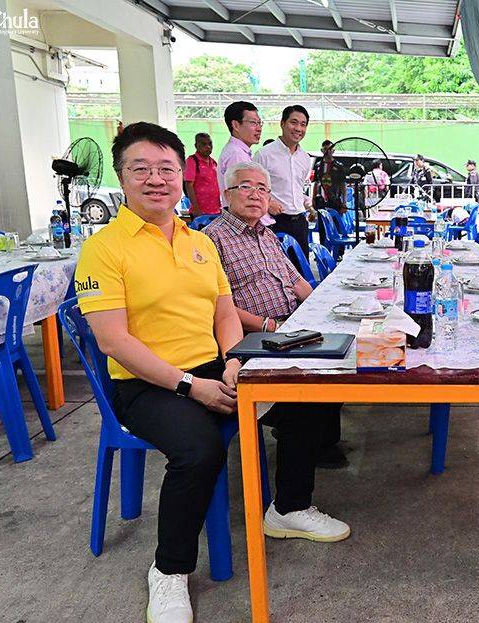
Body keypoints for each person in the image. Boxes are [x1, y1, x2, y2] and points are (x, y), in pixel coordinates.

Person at [74, 122, 246, 622]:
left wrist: (234, 361)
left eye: (166, 168)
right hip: (144, 382)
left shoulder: (200, 240)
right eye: (140, 168)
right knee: (200, 450)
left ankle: (288, 507)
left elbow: (225, 314)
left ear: (182, 175)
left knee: (302, 393)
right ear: (121, 177)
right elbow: (114, 342)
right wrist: (191, 386)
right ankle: (169, 571)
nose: (156, 179)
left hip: (212, 363)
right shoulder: (104, 248)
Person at [205, 159, 351, 495]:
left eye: (263, 189)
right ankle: (295, 431)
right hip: (256, 337)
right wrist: (268, 325)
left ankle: (321, 441)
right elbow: (216, 305)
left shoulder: (266, 234)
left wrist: (321, 307)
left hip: (290, 326)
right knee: (313, 385)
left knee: (346, 347)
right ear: (227, 194)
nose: (255, 195)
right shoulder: (213, 239)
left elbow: (295, 279)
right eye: (246, 187)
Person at [255, 104, 314, 260]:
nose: (298, 129)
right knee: (277, 272)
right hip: (275, 222)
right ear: (282, 123)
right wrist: (267, 203)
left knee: (301, 272)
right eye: (293, 122)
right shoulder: (264, 155)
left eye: (303, 124)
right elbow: (254, 189)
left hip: (300, 221)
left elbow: (298, 188)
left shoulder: (304, 158)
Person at [217, 101, 262, 211]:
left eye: (260, 123)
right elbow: (245, 197)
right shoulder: (236, 155)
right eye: (253, 123)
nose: (259, 128)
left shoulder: (239, 152)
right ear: (236, 125)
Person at [183, 132, 221, 216]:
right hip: (200, 212)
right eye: (204, 144)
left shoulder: (214, 162)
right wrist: (196, 209)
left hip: (216, 211)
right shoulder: (192, 161)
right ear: (196, 146)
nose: (208, 147)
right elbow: (188, 186)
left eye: (210, 144)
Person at [313, 139, 347, 215]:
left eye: (330, 149)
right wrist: (313, 199)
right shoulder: (318, 166)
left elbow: (343, 185)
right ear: (322, 150)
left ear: (333, 150)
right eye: (325, 149)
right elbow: (316, 183)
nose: (328, 151)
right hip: (320, 201)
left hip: (335, 200)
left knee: (336, 224)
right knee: (322, 224)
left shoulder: (339, 166)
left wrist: (344, 203)